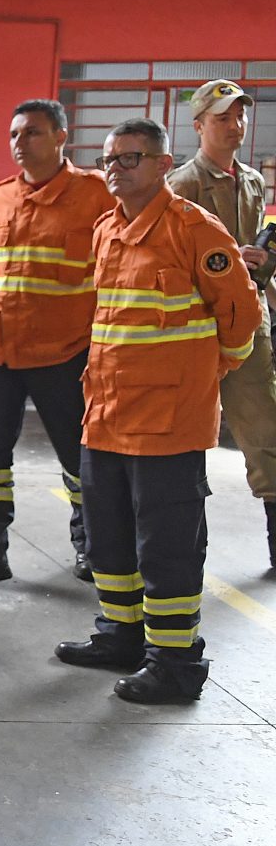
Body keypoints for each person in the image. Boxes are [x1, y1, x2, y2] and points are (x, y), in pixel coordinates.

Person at [55, 118, 258, 704]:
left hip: (170, 424)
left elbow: (240, 318)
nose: (115, 168)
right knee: (107, 538)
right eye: (109, 158)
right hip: (107, 415)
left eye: (131, 158)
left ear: (165, 165)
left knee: (166, 546)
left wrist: (204, 374)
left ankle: (174, 663)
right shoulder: (106, 231)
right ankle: (120, 635)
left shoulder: (194, 230)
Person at [0, 100, 114, 588]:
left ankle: (93, 547)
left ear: (62, 136)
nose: (21, 142)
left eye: (33, 133)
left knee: (81, 455)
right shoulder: (0, 197)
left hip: (64, 350)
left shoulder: (95, 196)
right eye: (15, 134)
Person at [167, 80, 276, 565]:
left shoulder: (253, 181)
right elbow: (167, 261)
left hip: (250, 323)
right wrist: (232, 258)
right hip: (198, 330)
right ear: (198, 127)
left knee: (264, 431)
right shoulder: (181, 186)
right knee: (185, 436)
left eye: (239, 118)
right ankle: (183, 547)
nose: (235, 126)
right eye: (222, 119)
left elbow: (256, 256)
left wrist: (262, 274)